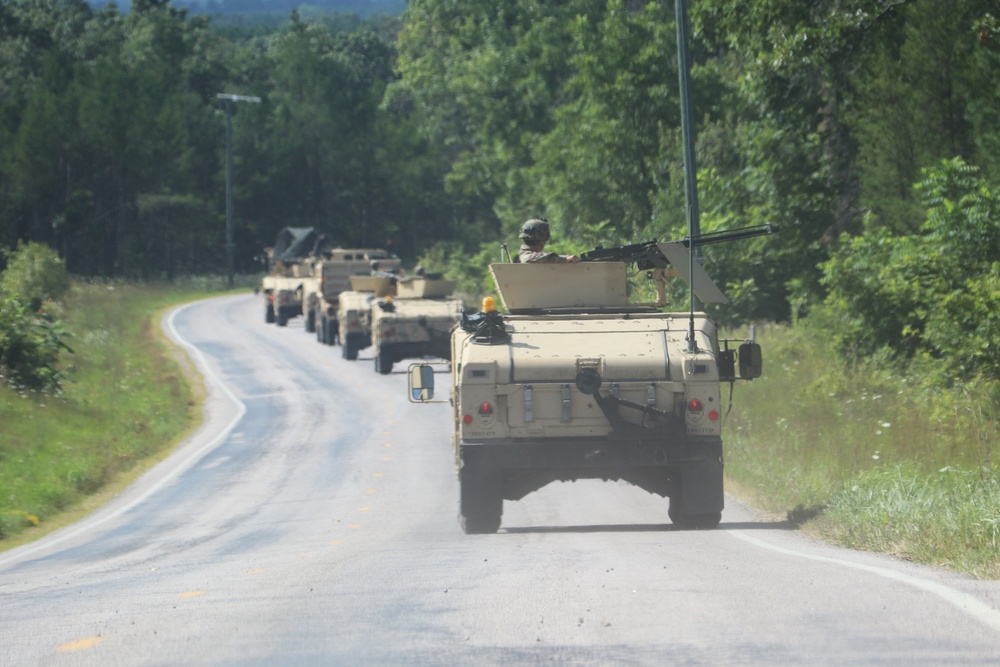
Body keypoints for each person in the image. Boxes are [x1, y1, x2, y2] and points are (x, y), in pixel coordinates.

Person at [514, 219, 580, 263]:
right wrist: (564, 259)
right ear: (542, 239)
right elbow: (529, 259)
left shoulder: (530, 254)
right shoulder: (524, 255)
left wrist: (566, 257)